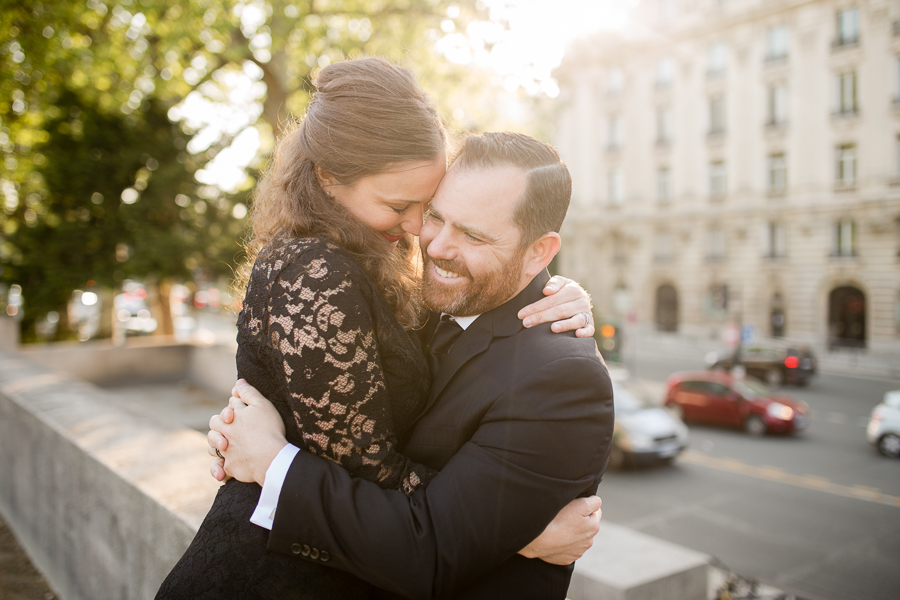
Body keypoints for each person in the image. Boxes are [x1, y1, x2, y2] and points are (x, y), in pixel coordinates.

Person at [156, 58, 597, 600]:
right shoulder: (314, 273)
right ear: (327, 178)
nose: (423, 236)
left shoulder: (375, 262)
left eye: (429, 208)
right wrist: (516, 532)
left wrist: (556, 290)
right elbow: (379, 484)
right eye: (410, 209)